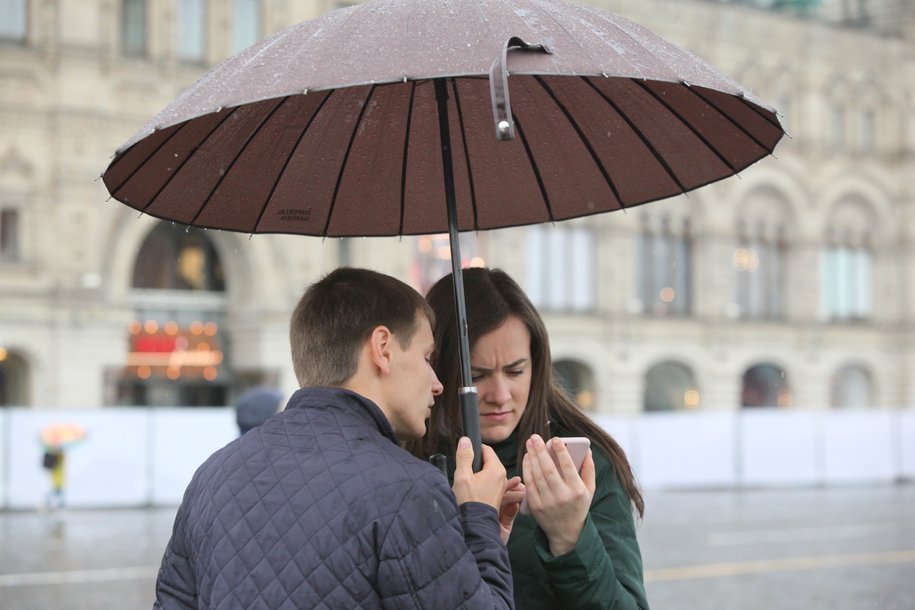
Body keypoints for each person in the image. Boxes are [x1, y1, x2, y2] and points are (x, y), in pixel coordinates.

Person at [153, 267, 520, 609]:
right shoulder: (409, 490)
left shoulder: (213, 475)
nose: (437, 383)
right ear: (383, 349)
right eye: (427, 357)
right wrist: (480, 519)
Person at [410, 267, 649, 609]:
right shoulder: (406, 458)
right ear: (437, 369)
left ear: (537, 365)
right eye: (477, 376)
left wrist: (571, 537)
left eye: (516, 370)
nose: (500, 394)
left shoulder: (581, 462)